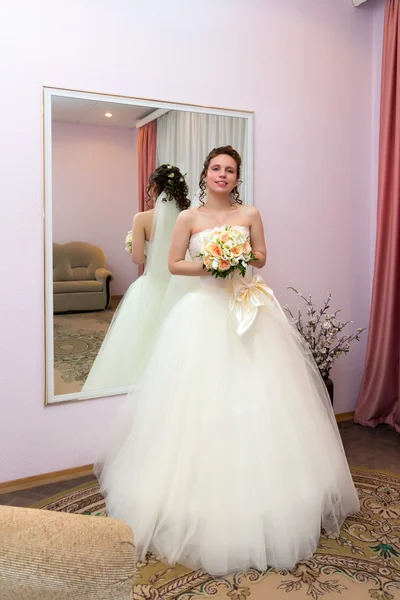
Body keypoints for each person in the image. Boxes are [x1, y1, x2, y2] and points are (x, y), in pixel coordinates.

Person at [96, 146, 360, 575]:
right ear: (206, 174)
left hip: (249, 312)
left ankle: (274, 498)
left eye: (230, 170)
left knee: (263, 400)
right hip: (202, 313)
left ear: (238, 178)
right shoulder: (188, 218)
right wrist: (209, 263)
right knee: (199, 404)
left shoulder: (250, 213)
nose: (222, 175)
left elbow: (261, 257)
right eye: (216, 168)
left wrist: (238, 258)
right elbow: (172, 263)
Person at [83, 164, 194, 392]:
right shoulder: (188, 217)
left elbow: (137, 259)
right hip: (183, 285)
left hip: (152, 285)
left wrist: (141, 247)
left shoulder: (142, 219)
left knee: (142, 340)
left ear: (154, 187)